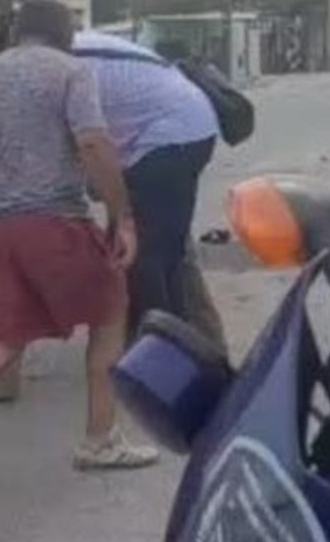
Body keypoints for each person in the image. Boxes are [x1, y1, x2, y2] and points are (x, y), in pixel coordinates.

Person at [0, 0, 157, 479]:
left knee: (3, 337)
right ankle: (100, 440)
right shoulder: (71, 72)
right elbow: (92, 142)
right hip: (54, 220)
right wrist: (121, 217)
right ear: (65, 36)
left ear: (18, 32)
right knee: (110, 308)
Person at [70, 29, 221, 337]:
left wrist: (112, 199)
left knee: (144, 255)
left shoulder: (63, 62)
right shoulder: (73, 47)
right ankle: (181, 338)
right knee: (167, 255)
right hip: (185, 127)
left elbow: (88, 143)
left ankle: (159, 344)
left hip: (170, 137)